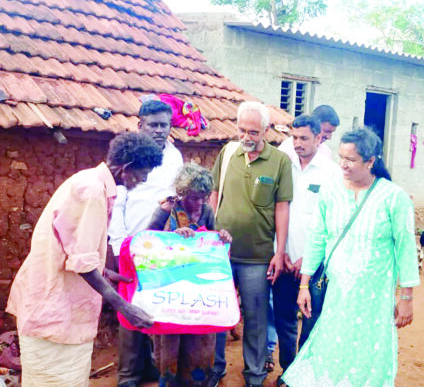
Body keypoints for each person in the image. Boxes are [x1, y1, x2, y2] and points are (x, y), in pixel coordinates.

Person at [6, 132, 163, 387]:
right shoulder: (91, 192)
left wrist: (107, 272)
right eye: (143, 173)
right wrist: (125, 307)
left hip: (56, 304)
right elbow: (82, 263)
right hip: (55, 309)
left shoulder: (90, 182)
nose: (144, 180)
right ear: (126, 168)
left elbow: (72, 247)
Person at [282, 128, 419, 387]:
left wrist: (407, 297)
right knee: (331, 349)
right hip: (337, 295)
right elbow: (317, 239)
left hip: (375, 300)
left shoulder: (393, 197)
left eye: (351, 159)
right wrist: (304, 285)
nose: (343, 165)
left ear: (370, 161)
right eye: (341, 157)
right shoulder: (331, 191)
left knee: (369, 355)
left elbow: (405, 248)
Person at [207, 101, 293, 387]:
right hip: (221, 253)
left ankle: (254, 375)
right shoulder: (228, 152)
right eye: (242, 130)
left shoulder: (279, 161)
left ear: (266, 130)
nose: (246, 136)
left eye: (253, 132)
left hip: (257, 255)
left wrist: (279, 252)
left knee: (256, 318)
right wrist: (208, 234)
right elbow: (214, 194)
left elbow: (282, 207)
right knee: (217, 314)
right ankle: (215, 370)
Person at [108, 99, 184, 387]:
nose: (159, 130)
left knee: (153, 306)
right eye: (153, 125)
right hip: (130, 243)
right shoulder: (130, 155)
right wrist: (118, 246)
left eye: (164, 125)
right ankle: (128, 376)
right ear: (140, 124)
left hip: (161, 246)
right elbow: (117, 204)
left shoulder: (175, 157)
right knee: (129, 309)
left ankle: (150, 368)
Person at [146, 162, 232, 387]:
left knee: (200, 341)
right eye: (194, 197)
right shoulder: (167, 209)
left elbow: (212, 239)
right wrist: (172, 236)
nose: (200, 202)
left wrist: (222, 236)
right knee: (171, 342)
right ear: (182, 192)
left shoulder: (206, 210)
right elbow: (146, 241)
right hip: (171, 290)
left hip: (199, 292)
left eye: (204, 197)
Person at [272, 114, 341, 384]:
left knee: (311, 322)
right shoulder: (284, 166)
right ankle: (288, 370)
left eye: (304, 138)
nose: (297, 143)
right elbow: (278, 211)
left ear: (319, 138)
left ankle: (303, 375)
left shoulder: (332, 173)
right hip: (283, 259)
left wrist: (309, 259)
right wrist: (281, 252)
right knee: (283, 319)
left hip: (315, 266)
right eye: (294, 137)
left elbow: (333, 222)